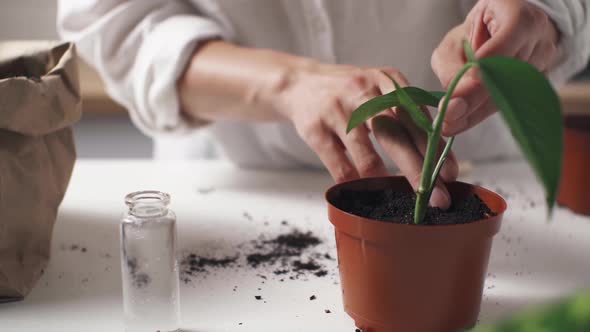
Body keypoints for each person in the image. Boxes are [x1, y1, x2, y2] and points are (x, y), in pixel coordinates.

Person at [57, 0, 590, 209]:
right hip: (233, 187)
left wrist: (541, 15)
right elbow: (118, 28)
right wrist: (288, 83)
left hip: (485, 172)